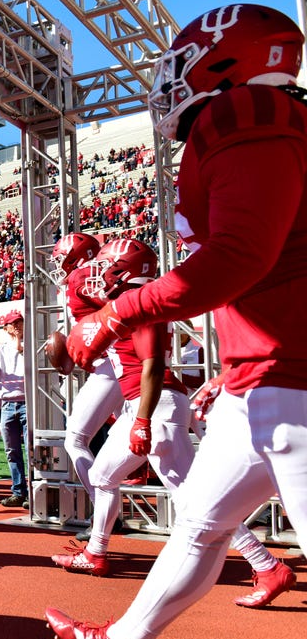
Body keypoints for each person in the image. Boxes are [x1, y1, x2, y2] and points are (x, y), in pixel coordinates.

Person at [48, 5, 305, 639]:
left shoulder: (243, 113)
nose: (169, 83)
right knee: (197, 521)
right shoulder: (274, 119)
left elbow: (242, 255)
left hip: (295, 380)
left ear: (227, 60)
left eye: (180, 66)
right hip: (265, 376)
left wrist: (116, 312)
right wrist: (231, 366)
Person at [50, 240, 289, 594]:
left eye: (106, 265)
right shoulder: (123, 302)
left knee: (196, 499)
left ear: (125, 267)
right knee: (102, 476)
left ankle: (266, 565)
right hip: (146, 404)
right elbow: (101, 352)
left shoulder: (138, 302)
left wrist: (143, 420)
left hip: (154, 405)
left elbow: (152, 365)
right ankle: (96, 552)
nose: (99, 273)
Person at [50, 232, 125, 539]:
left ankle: (104, 512)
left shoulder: (82, 275)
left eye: (61, 258)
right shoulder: (90, 273)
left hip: (116, 365)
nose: (58, 265)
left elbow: (120, 309)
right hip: (121, 364)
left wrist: (90, 342)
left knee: (76, 439)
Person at [0, 309, 28, 508]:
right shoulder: (0, 349)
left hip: (28, 402)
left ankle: (33, 493)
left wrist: (20, 344)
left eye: (19, 321)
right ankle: (19, 491)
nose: (17, 325)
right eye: (14, 323)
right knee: (12, 450)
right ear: (6, 328)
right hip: (9, 404)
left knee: (31, 449)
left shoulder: (30, 345)